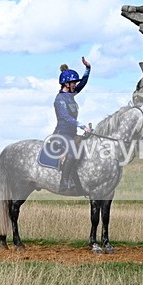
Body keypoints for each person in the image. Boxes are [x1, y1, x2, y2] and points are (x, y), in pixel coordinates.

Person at [54, 57, 92, 193]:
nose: (76, 84)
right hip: (62, 134)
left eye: (75, 82)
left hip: (72, 134)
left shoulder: (70, 95)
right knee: (72, 153)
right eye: (73, 83)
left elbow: (83, 83)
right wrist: (82, 126)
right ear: (67, 84)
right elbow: (65, 117)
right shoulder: (60, 99)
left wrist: (88, 69)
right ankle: (64, 183)